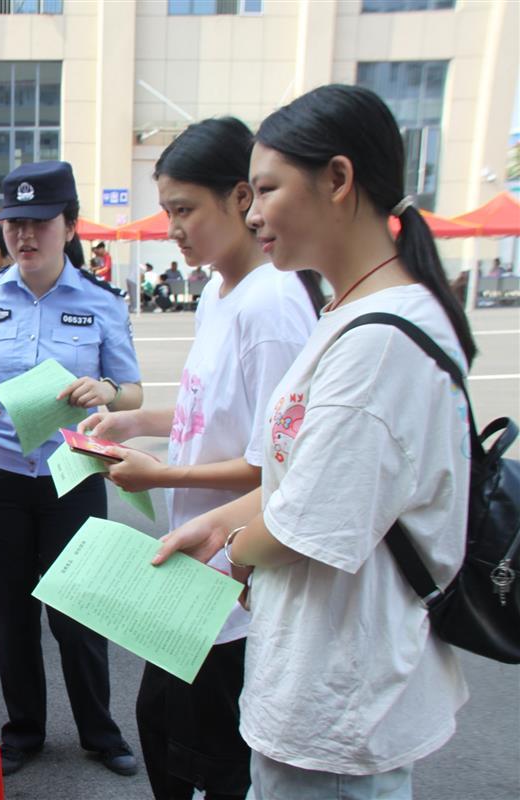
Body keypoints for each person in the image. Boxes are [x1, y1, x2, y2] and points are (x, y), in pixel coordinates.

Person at [154, 84, 475, 800]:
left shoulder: (381, 342)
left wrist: (224, 558)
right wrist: (208, 527)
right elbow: (290, 481)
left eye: (266, 189)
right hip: (311, 678)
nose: (255, 212)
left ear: (338, 179)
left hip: (341, 700)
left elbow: (304, 524)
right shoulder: (345, 309)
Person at [79, 117, 324, 800]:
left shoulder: (271, 305)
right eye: (166, 212)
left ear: (242, 198)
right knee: (161, 726)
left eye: (184, 210)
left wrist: (161, 472)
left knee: (205, 753)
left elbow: (279, 464)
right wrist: (136, 420)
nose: (173, 228)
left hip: (236, 576)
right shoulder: (219, 293)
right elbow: (211, 411)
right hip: (195, 567)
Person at [0, 161, 144, 780]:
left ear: (70, 226)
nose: (25, 236)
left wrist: (103, 388)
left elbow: (131, 391)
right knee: (13, 608)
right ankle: (22, 730)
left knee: (79, 612)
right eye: (15, 224)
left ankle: (100, 734)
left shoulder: (101, 303)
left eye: (40, 223)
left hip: (70, 474)